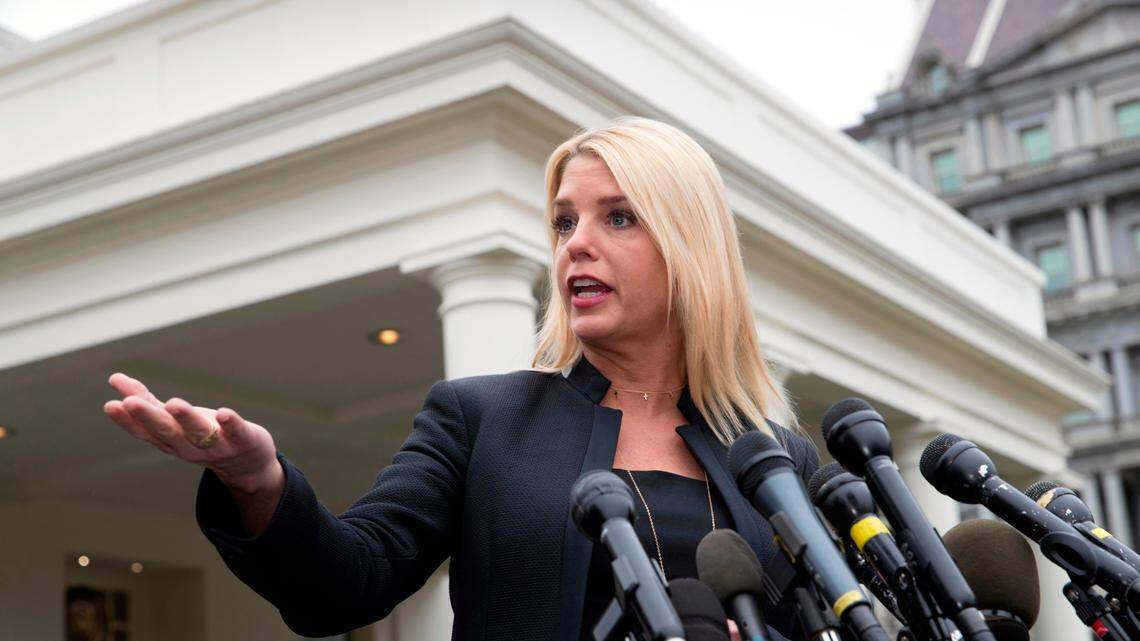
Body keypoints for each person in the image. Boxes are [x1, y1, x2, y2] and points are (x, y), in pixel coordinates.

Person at [103, 116, 818, 641]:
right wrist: (258, 482)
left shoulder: (776, 458)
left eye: (620, 217)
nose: (578, 245)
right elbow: (348, 580)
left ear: (692, 247)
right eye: (564, 222)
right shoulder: (482, 418)